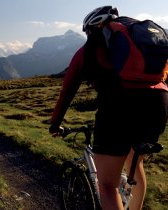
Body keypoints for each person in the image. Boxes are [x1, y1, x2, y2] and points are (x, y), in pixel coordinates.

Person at [49, 6, 168, 210]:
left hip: (118, 108)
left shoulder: (89, 49)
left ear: (93, 28)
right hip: (159, 103)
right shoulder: (142, 41)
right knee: (135, 163)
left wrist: (55, 124)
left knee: (107, 185)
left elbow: (67, 91)